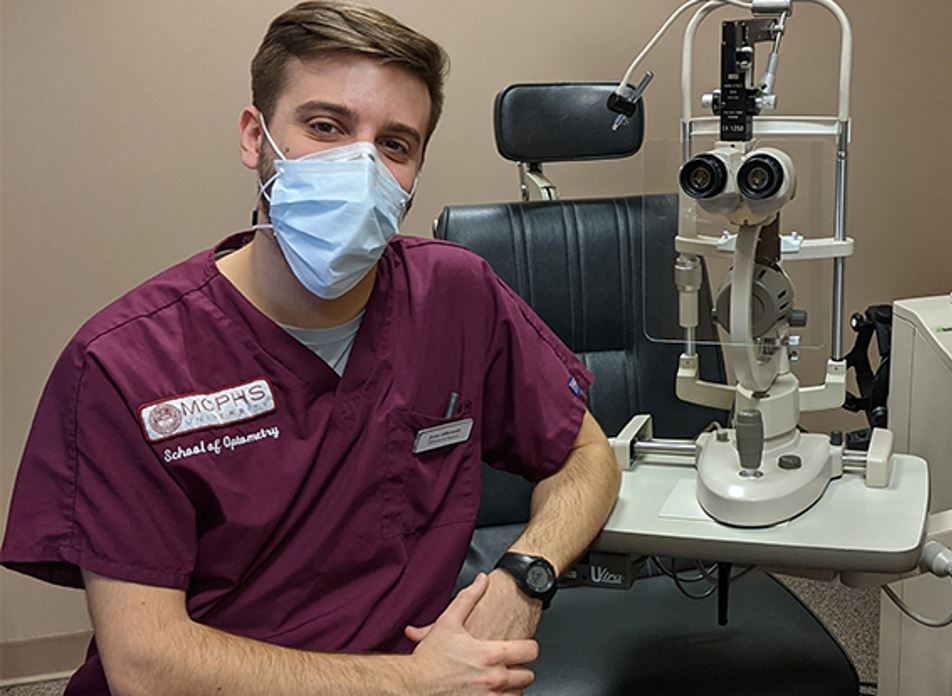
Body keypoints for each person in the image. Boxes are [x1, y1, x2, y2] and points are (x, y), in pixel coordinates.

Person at [0, 2, 620, 694]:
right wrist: (411, 684)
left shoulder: (454, 295)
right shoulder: (126, 365)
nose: (360, 168)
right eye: (324, 127)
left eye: (394, 145)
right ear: (253, 136)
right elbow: (148, 665)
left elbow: (585, 456)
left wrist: (522, 578)